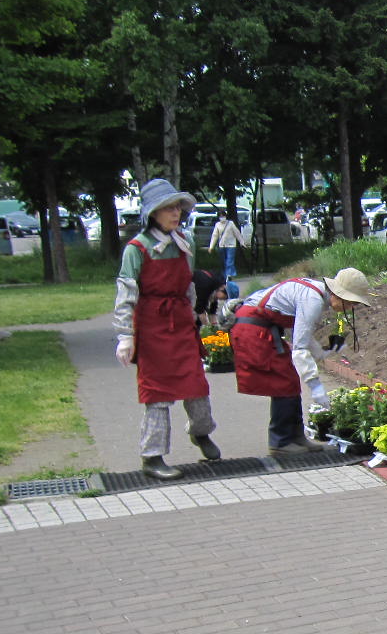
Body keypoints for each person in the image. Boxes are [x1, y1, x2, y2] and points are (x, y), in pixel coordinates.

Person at [113, 178, 219, 480]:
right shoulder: (137, 249)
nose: (176, 213)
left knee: (197, 387)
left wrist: (195, 315)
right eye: (168, 208)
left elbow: (188, 286)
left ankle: (201, 433)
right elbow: (126, 294)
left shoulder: (184, 244)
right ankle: (152, 456)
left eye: (178, 208)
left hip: (180, 325)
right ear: (153, 214)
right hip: (152, 327)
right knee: (157, 395)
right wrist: (125, 336)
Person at [229, 267, 372, 454]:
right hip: (252, 329)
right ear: (339, 295)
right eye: (351, 303)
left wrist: (320, 353)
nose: (351, 308)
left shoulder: (316, 294)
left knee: (290, 380)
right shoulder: (312, 300)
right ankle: (280, 442)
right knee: (282, 382)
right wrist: (316, 387)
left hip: (261, 327)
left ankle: (296, 437)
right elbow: (300, 349)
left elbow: (302, 336)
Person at [208, 209, 247, 278]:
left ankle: (229, 275)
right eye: (220, 216)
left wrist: (242, 242)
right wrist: (211, 247)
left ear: (225, 216)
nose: (222, 217)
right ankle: (225, 274)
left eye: (223, 216)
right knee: (223, 262)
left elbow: (237, 233)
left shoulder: (230, 223)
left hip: (231, 245)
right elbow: (215, 236)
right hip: (221, 245)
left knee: (229, 261)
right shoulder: (217, 225)